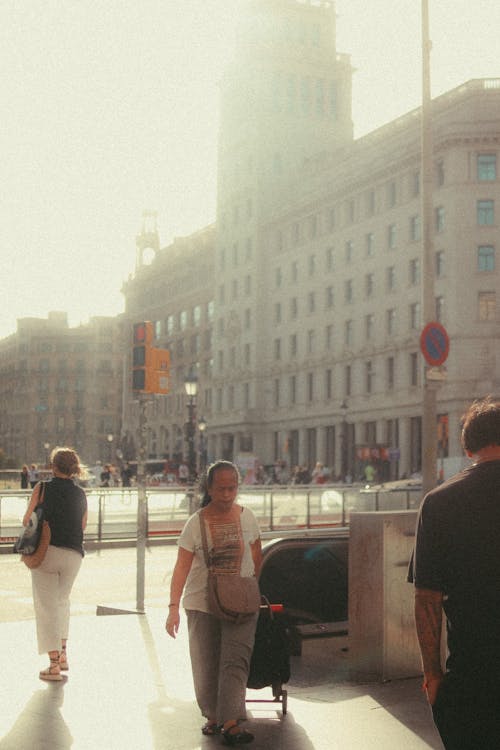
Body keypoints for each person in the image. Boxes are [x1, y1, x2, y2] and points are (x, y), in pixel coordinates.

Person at [409, 397, 500, 749]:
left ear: (468, 446)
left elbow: (427, 598)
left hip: (472, 673)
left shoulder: (439, 502)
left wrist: (432, 674)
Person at [166, 460, 262, 745]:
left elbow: (257, 558)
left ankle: (230, 721)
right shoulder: (195, 523)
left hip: (241, 601)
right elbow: (181, 567)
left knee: (236, 661)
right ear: (209, 488)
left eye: (232, 488)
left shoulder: (249, 518)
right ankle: (212, 715)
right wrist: (173, 608)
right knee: (206, 662)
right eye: (221, 488)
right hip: (201, 602)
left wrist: (247, 587)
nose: (227, 494)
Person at [22, 447, 88, 682]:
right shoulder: (81, 494)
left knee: (46, 607)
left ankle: (53, 666)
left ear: (53, 466)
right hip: (74, 555)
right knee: (62, 603)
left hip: (47, 552)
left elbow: (27, 520)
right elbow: (82, 526)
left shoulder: (42, 488)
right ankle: (63, 656)